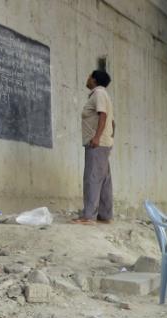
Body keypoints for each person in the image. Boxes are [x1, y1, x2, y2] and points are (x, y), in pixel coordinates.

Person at [74, 70, 115, 225]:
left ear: (95, 80)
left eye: (89, 76)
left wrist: (97, 137)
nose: (87, 78)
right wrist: (109, 138)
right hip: (103, 143)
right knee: (104, 179)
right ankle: (105, 216)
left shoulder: (98, 94)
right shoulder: (104, 95)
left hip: (97, 144)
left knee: (92, 177)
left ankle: (88, 216)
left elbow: (103, 116)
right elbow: (112, 122)